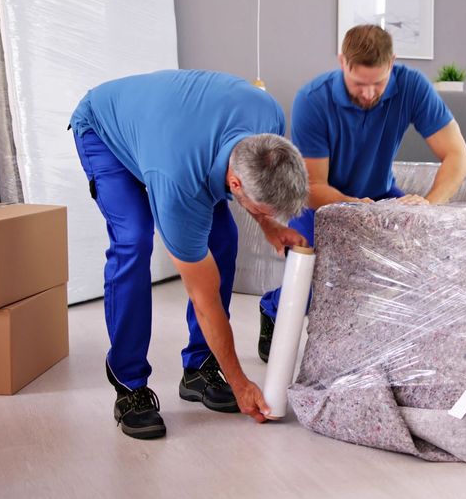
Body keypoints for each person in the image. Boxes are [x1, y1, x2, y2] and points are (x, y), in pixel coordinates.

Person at [69, 70, 310, 439]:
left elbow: (257, 183)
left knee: (224, 240)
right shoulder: (178, 182)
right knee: (133, 241)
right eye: (262, 210)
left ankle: (199, 368)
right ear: (234, 183)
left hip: (171, 131)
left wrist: (269, 224)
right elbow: (204, 299)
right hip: (105, 127)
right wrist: (241, 382)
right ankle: (129, 385)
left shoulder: (268, 120)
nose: (264, 215)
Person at [257, 24, 466, 361]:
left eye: (379, 84)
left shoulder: (412, 86)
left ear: (393, 63)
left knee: (416, 267)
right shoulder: (312, 100)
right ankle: (273, 307)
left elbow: (458, 155)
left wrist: (428, 205)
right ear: (342, 62)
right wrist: (359, 210)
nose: (370, 94)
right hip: (318, 203)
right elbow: (312, 186)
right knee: (317, 286)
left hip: (379, 196)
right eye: (360, 84)